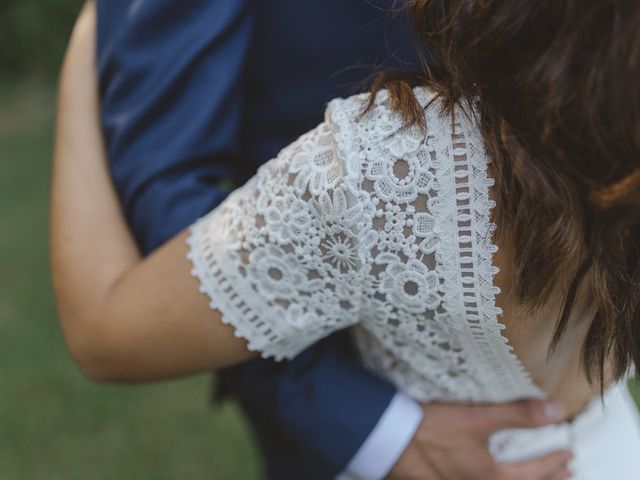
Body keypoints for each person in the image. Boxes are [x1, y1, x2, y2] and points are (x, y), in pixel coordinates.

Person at [51, 1, 640, 479]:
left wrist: (82, 54)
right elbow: (166, 172)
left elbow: (104, 330)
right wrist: (373, 430)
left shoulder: (388, 166)